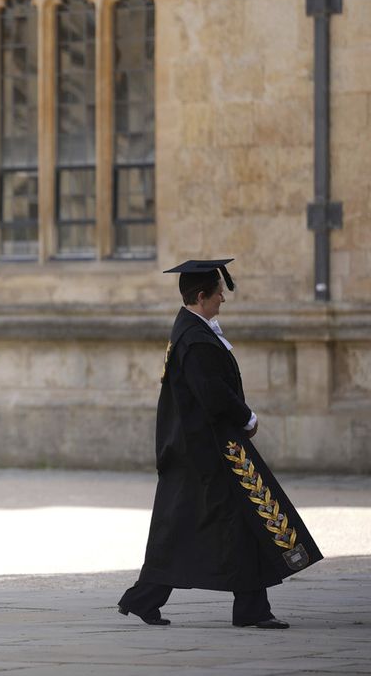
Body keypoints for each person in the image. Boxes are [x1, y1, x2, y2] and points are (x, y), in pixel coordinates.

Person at [118, 259, 322, 628]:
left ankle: (236, 606)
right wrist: (248, 417)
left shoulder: (192, 330)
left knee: (213, 525)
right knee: (233, 519)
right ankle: (240, 608)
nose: (223, 299)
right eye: (218, 293)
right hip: (211, 449)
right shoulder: (195, 339)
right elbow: (213, 394)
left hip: (202, 448)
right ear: (201, 296)